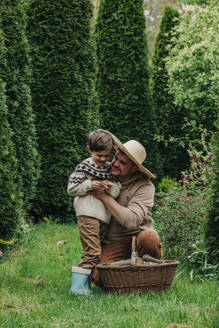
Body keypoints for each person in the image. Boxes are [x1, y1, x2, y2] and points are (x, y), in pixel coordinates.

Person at [90, 136, 162, 287]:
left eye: (122, 163)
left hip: (138, 238)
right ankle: (133, 272)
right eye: (116, 158)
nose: (115, 164)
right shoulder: (102, 171)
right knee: (97, 276)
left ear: (134, 168)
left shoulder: (145, 186)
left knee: (150, 237)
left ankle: (147, 276)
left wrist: (103, 196)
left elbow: (131, 221)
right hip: (112, 242)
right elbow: (79, 199)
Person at [67, 129, 121, 294]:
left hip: (103, 217)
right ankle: (77, 289)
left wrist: (110, 188)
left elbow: (117, 190)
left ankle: (85, 286)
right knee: (93, 251)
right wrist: (90, 185)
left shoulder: (109, 168)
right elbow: (71, 188)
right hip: (87, 213)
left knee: (94, 251)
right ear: (90, 150)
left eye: (107, 155)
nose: (103, 159)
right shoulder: (84, 166)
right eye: (99, 155)